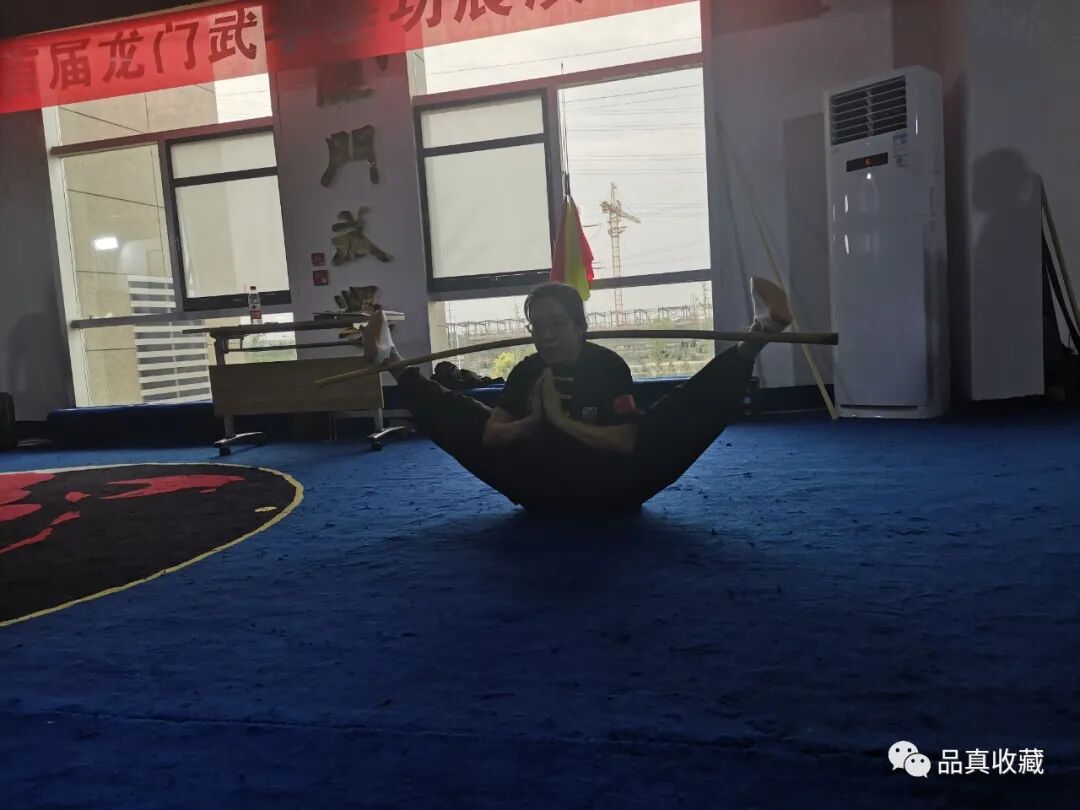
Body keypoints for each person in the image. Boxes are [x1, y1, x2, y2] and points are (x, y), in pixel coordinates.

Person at [362, 278, 792, 513]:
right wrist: (533, 420)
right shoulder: (528, 369)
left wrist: (560, 420)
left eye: (556, 324)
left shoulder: (608, 366)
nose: (545, 335)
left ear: (580, 326)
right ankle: (391, 359)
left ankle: (760, 334)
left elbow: (624, 444)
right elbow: (492, 436)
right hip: (540, 490)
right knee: (464, 416)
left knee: (676, 413)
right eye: (537, 326)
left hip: (612, 491)